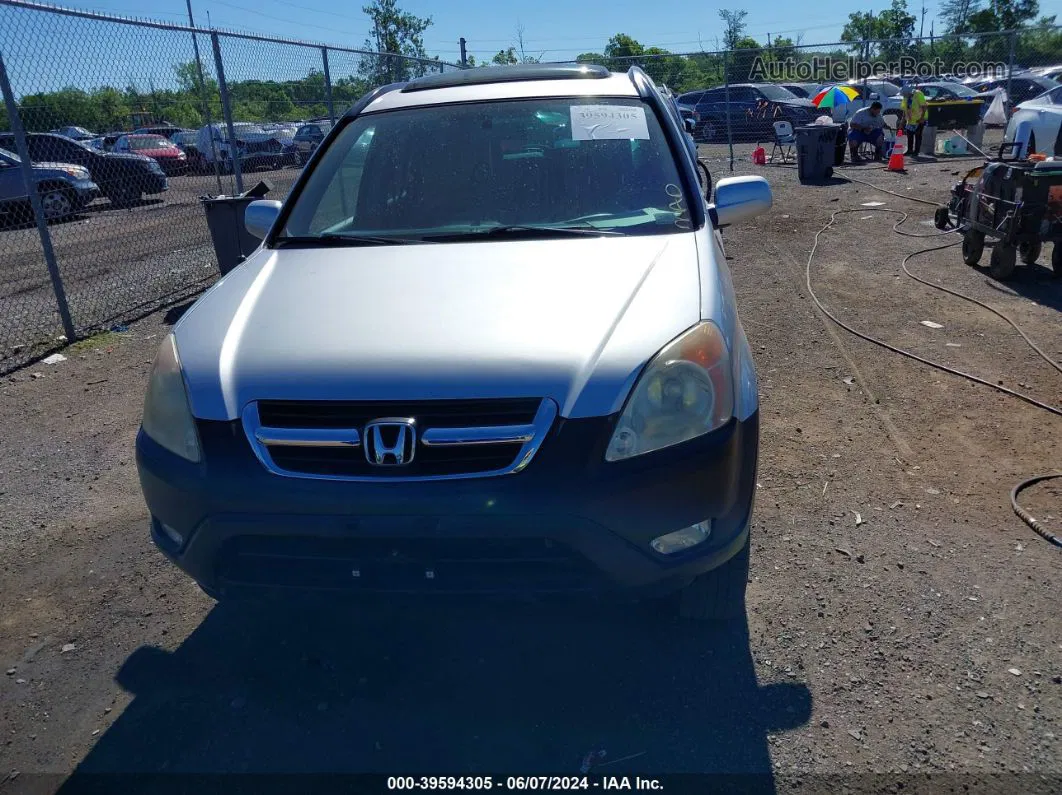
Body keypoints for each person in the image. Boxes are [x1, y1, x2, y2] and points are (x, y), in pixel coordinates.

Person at [899, 83, 928, 156]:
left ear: (910, 92)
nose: (904, 96)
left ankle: (917, 151)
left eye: (906, 95)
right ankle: (910, 150)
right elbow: (904, 109)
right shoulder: (905, 97)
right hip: (910, 119)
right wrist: (902, 121)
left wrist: (922, 118)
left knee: (918, 135)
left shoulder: (918, 94)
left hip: (919, 119)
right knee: (909, 135)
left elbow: (924, 107)